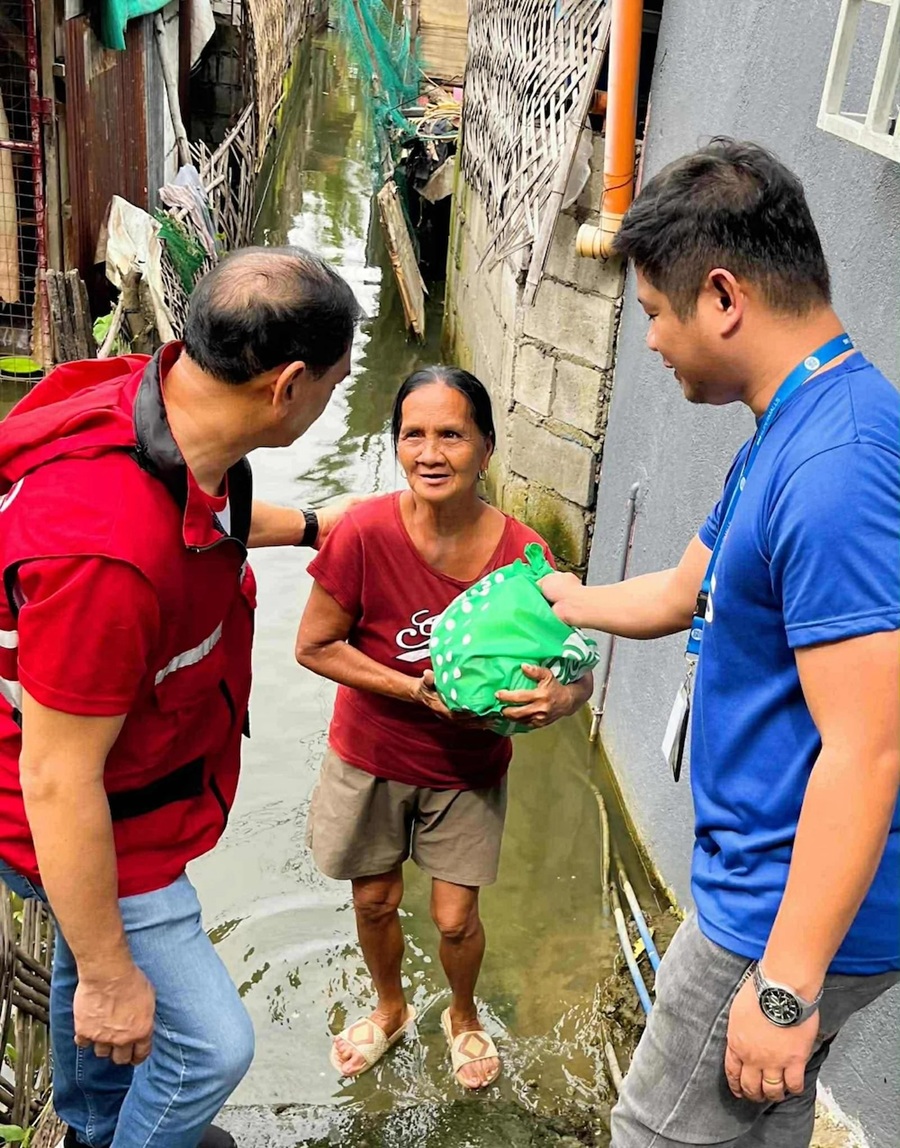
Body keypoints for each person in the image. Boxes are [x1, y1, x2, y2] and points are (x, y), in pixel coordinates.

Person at [541, 139, 899, 1147]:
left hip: (777, 909)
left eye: (656, 312)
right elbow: (683, 588)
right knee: (754, 1123)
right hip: (777, 891)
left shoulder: (836, 468)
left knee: (652, 1128)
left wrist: (783, 983)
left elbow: (868, 746)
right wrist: (565, 599)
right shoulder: (796, 420)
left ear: (725, 297)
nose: (650, 339)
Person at [0, 247, 361, 1148]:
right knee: (209, 1047)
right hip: (90, 819)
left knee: (102, 975)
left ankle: (91, 1124)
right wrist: (114, 976)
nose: (328, 400)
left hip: (123, 786)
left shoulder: (163, 401)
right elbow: (57, 781)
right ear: (287, 387)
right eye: (333, 384)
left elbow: (211, 514)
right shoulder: (108, 556)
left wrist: (320, 526)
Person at [295, 366, 594, 1089]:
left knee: (456, 918)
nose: (431, 453)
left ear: (486, 449)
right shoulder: (363, 534)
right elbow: (313, 646)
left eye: (452, 435)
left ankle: (463, 1015)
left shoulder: (523, 556)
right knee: (374, 899)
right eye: (414, 435)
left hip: (466, 769)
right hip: (369, 754)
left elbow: (578, 664)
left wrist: (564, 698)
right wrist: (411, 689)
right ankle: (392, 1008)